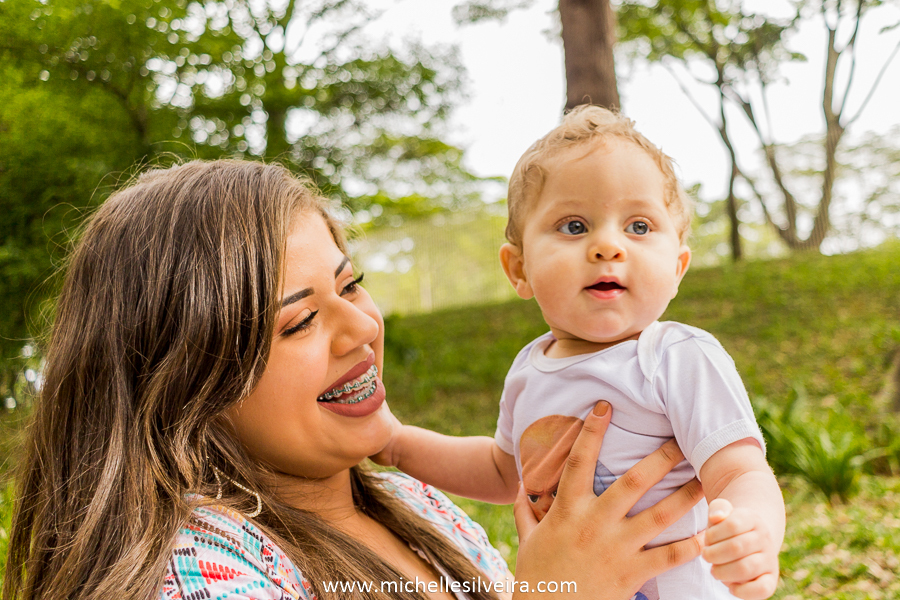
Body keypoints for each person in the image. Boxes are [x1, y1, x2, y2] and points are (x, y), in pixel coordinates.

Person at [2, 159, 708, 600]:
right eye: (299, 322)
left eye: (351, 286)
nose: (362, 327)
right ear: (187, 383)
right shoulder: (193, 571)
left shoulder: (416, 505)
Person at [374, 107, 786, 600]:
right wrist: (397, 444)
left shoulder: (675, 357)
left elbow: (739, 469)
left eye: (638, 226)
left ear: (677, 267)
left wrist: (753, 529)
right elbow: (503, 471)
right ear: (519, 269)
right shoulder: (530, 368)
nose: (607, 246)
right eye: (574, 226)